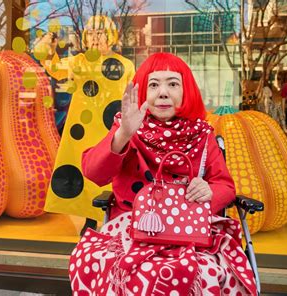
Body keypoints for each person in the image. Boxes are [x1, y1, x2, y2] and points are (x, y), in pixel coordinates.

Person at [69, 53, 257, 295]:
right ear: (142, 93)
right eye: (154, 84)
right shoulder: (128, 127)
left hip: (190, 230)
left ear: (185, 90)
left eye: (173, 83)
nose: (163, 92)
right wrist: (123, 134)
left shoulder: (202, 135)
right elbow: (94, 173)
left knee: (206, 270)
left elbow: (225, 185)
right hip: (133, 226)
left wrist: (209, 192)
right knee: (115, 265)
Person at [39, 15, 136, 221]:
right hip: (82, 128)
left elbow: (132, 95)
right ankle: (90, 219)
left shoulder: (125, 65)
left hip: (109, 127)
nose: (94, 37)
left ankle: (111, 217)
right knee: (84, 169)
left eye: (99, 32)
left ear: (110, 36)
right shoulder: (78, 62)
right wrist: (49, 48)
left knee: (109, 168)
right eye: (90, 32)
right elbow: (54, 69)